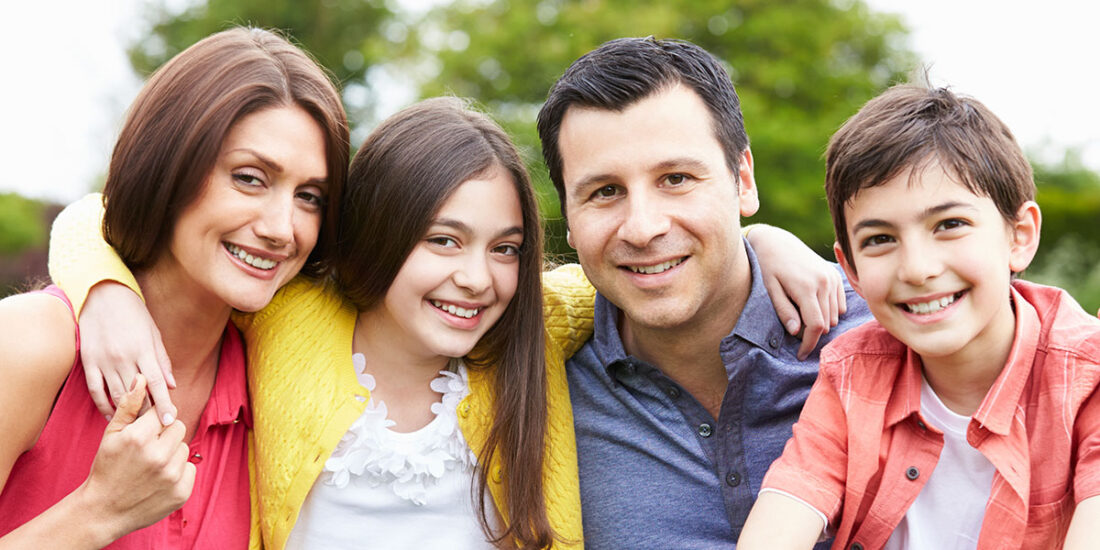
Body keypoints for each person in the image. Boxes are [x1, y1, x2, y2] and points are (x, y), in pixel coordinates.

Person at [49, 102, 843, 550]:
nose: (476, 278)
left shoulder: (532, 322)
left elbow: (648, 269)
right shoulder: (288, 312)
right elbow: (112, 218)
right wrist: (104, 294)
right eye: (442, 240)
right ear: (382, 230)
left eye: (505, 248)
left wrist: (760, 239)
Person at [0, 27, 349, 548]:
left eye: (310, 196)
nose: (282, 227)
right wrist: (97, 512)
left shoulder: (272, 381)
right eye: (250, 177)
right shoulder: (30, 344)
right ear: (167, 166)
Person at [534, 36, 872, 548]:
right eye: (605, 192)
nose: (642, 228)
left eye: (676, 178)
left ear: (743, 180)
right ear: (569, 218)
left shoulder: (882, 335)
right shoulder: (535, 382)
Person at [738, 85, 1100, 549]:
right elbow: (782, 518)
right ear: (850, 269)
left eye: (949, 225)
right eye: (879, 239)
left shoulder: (1085, 373)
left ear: (1019, 236)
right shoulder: (852, 372)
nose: (917, 269)